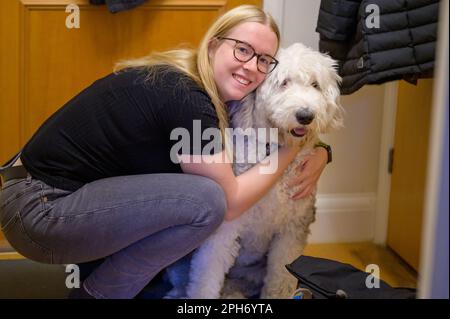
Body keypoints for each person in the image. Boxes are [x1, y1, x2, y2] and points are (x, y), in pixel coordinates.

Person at [0, 5, 329, 299]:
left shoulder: (196, 82)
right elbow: (230, 204)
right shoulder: (187, 98)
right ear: (214, 45)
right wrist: (293, 147)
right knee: (206, 201)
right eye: (242, 50)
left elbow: (269, 124)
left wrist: (322, 149)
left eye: (263, 60)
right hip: (39, 211)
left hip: (40, 196)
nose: (250, 66)